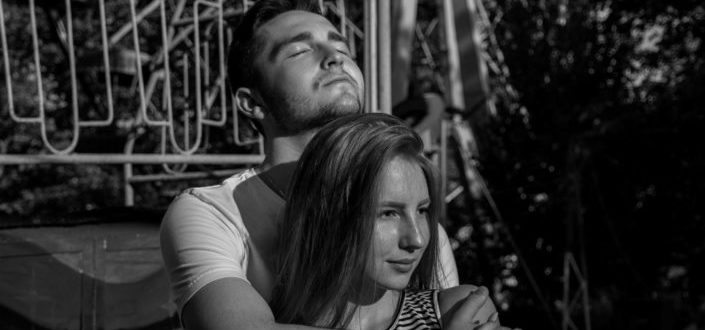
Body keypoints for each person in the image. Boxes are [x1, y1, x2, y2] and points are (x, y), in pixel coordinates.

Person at [160, 1, 496, 329]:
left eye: (343, 48)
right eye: (300, 51)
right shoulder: (213, 212)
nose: (335, 58)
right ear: (252, 102)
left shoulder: (415, 224)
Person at [272, 113, 505, 330]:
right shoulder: (263, 321)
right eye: (389, 213)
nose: (417, 238)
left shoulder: (458, 311)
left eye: (422, 210)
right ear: (329, 215)